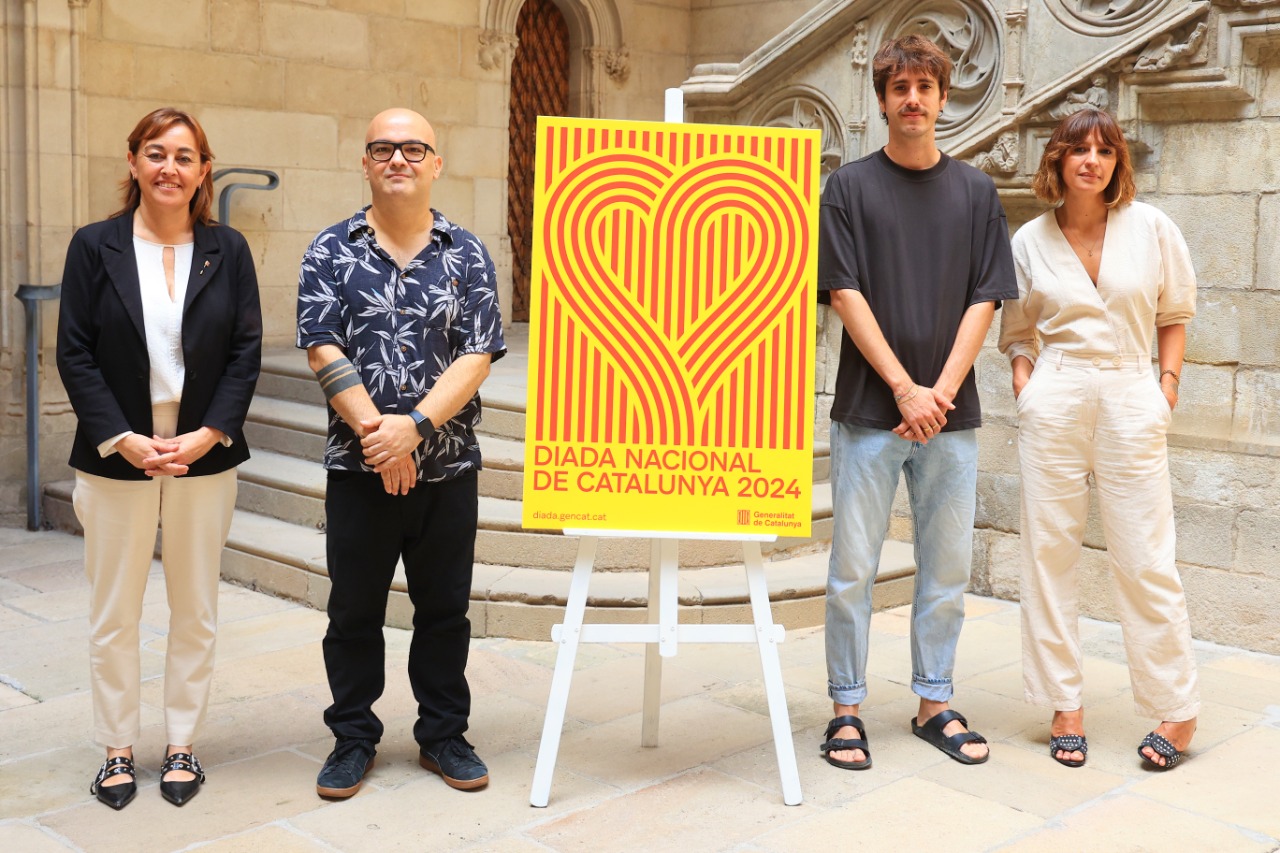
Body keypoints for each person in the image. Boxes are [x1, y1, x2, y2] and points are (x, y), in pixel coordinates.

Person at [818, 34, 1017, 770]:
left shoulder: (976, 193)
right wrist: (904, 386)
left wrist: (938, 392)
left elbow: (986, 298)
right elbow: (844, 291)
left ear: (943, 98)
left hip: (951, 416)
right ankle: (846, 708)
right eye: (899, 88)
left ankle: (935, 701)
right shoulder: (847, 188)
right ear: (882, 100)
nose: (912, 100)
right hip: (872, 409)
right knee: (852, 570)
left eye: (925, 88)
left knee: (946, 567)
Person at [56, 107, 262, 809]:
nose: (169, 167)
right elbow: (74, 352)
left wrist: (209, 433)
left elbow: (245, 351)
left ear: (204, 170)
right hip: (119, 451)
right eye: (155, 153)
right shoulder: (94, 246)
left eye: (184, 155)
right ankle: (116, 747)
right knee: (113, 608)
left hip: (204, 450)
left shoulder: (228, 249)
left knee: (195, 604)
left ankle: (181, 741)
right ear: (135, 163)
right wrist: (123, 435)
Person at [296, 108, 505, 798]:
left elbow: (478, 354)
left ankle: (444, 733)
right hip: (358, 469)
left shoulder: (467, 253)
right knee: (353, 611)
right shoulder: (330, 249)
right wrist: (377, 437)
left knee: (443, 610)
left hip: (447, 469)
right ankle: (352, 737)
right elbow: (321, 343)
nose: (398, 159)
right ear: (365, 162)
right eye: (383, 148)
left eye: (414, 148)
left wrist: (411, 426)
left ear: (436, 163)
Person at [999, 108, 1199, 770]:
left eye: (1104, 150)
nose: (1091, 160)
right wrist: (1028, 387)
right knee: (1049, 550)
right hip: (1056, 395)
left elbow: (1174, 314)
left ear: (1118, 163)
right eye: (1077, 149)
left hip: (1129, 389)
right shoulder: (1029, 239)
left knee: (1145, 553)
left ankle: (1178, 705)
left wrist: (1164, 387)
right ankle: (1064, 702)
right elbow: (1018, 330)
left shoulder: (1152, 229)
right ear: (1057, 161)